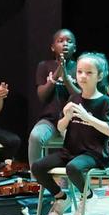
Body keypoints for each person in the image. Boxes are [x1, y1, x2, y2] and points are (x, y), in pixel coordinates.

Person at [32, 51, 109, 215]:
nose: (83, 76)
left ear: (99, 76)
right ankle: (61, 197)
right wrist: (67, 116)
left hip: (94, 154)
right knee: (37, 167)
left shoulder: (105, 101)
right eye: (79, 72)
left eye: (89, 72)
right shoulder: (74, 98)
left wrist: (87, 117)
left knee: (73, 168)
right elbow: (61, 127)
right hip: (70, 151)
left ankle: (89, 196)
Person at [29, 28, 78, 162]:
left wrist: (67, 80)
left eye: (69, 41)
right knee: (35, 136)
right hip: (50, 119)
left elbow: (80, 96)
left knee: (75, 143)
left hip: (74, 121)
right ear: (52, 47)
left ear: (74, 48)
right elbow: (42, 96)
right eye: (60, 41)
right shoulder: (44, 66)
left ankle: (66, 180)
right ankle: (35, 180)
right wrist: (56, 75)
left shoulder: (79, 67)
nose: (65, 44)